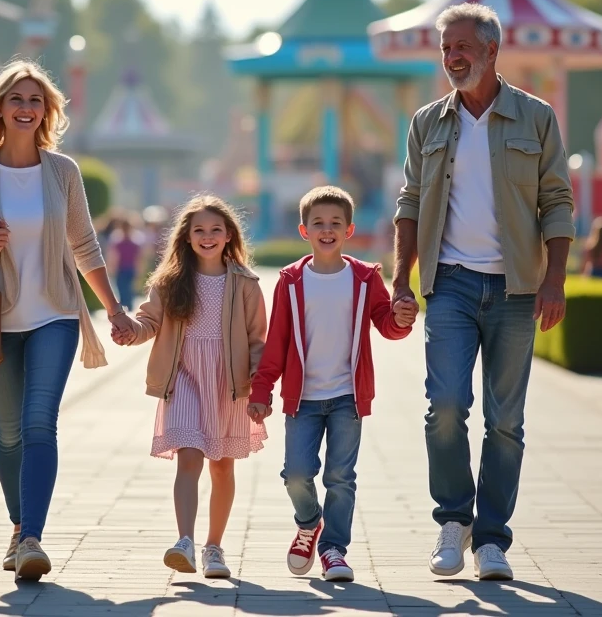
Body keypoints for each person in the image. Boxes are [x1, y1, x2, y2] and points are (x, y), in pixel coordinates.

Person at [390, 3, 574, 582]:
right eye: (446, 49)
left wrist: (555, 279)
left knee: (505, 421)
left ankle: (491, 539)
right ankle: (453, 520)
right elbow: (411, 204)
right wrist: (401, 278)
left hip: (518, 288)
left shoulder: (536, 117)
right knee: (445, 407)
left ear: (492, 51)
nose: (452, 57)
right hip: (449, 285)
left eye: (462, 47)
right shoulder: (427, 123)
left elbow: (558, 202)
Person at [0, 59, 139, 583]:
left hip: (55, 313)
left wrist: (115, 309)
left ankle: (32, 537)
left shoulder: (63, 172)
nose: (26, 109)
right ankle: (17, 525)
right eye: (17, 100)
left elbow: (84, 245)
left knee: (38, 424)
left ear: (47, 110)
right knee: (8, 433)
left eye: (35, 100)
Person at [250, 186, 415, 583]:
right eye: (318, 223)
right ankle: (309, 522)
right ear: (304, 230)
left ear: (349, 229)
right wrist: (261, 391)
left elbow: (386, 325)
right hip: (302, 400)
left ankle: (333, 550)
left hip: (347, 398)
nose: (327, 230)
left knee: (341, 478)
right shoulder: (290, 280)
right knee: (295, 474)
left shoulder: (364, 277)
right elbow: (277, 342)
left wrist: (403, 319)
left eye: (335, 223)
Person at [114, 195, 267, 579]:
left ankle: (214, 547)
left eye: (216, 229)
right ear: (186, 237)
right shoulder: (169, 282)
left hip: (229, 382)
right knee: (189, 457)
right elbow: (148, 322)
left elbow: (257, 340)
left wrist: (260, 391)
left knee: (221, 467)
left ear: (229, 235)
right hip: (183, 377)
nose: (208, 236)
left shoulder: (246, 283)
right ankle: (185, 541)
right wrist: (130, 332)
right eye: (199, 230)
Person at [108, 217, 146, 311]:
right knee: (129, 290)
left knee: (122, 290)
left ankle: (124, 308)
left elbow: (114, 257)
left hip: (121, 269)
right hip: (130, 269)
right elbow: (139, 259)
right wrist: (140, 272)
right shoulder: (135, 243)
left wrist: (111, 268)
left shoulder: (117, 242)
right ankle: (129, 308)